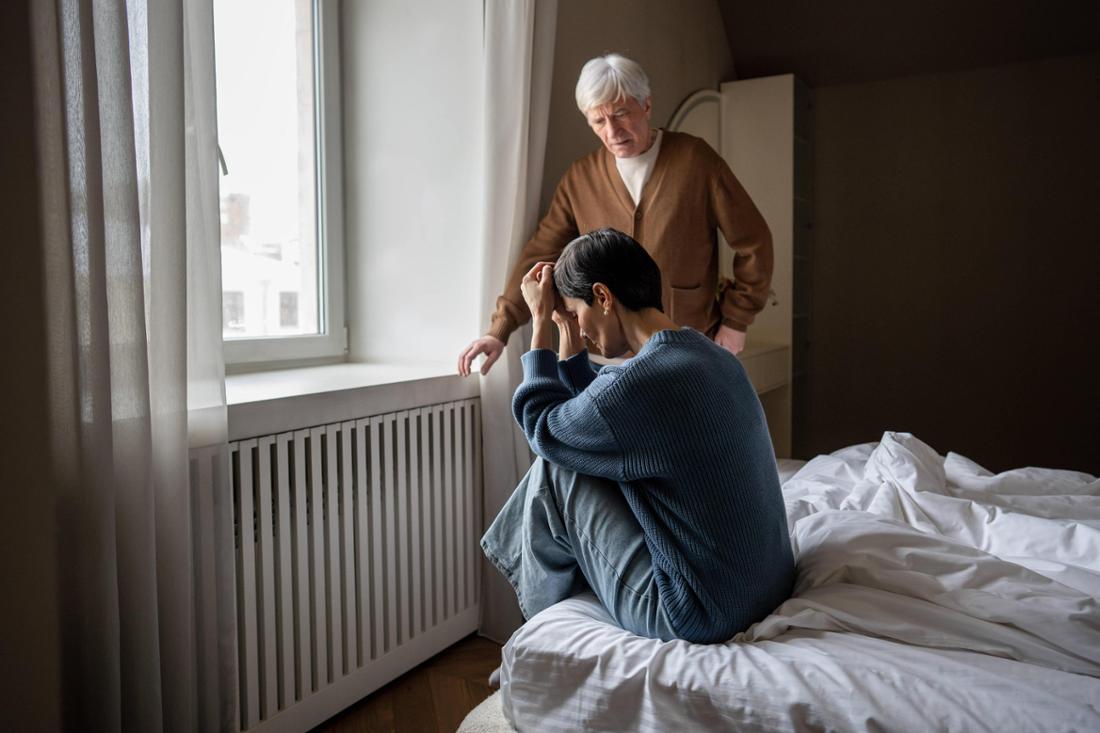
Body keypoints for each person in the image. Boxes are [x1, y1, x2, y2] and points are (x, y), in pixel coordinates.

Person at [480, 228, 794, 643]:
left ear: (604, 297)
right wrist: (570, 339)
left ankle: (541, 640)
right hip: (763, 586)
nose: (580, 327)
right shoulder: (708, 357)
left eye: (576, 313)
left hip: (697, 611)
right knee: (580, 453)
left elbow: (542, 427)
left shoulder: (643, 384)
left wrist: (540, 324)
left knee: (558, 472)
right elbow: (605, 409)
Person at [458, 53, 773, 377]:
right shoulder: (580, 179)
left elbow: (755, 242)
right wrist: (499, 329)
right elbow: (539, 253)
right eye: (598, 121)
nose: (613, 131)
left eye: (622, 114)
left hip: (687, 347)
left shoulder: (696, 160)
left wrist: (736, 321)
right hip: (607, 361)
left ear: (646, 105)